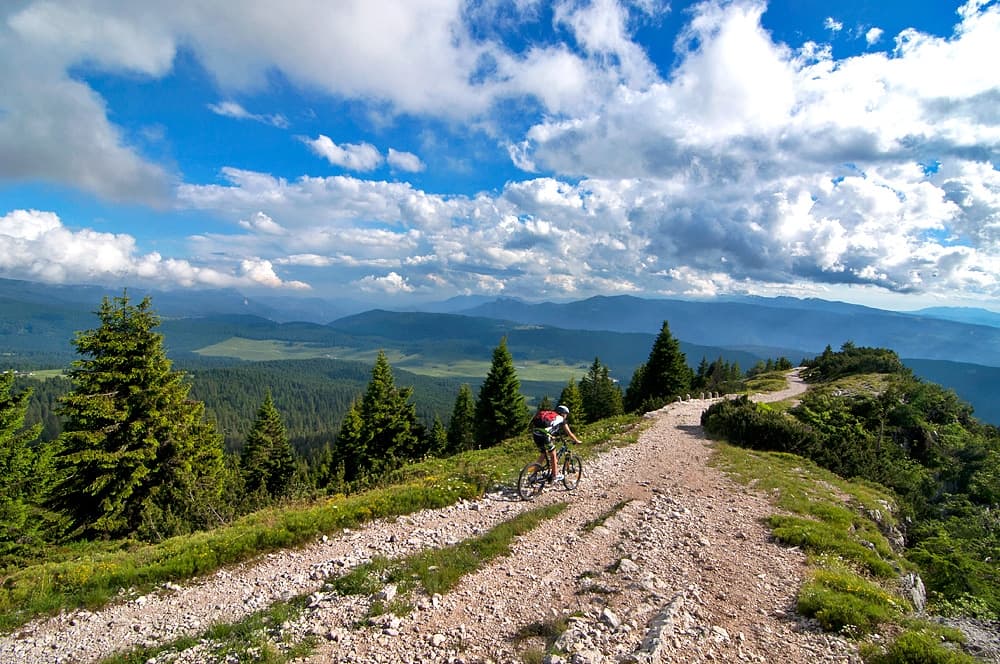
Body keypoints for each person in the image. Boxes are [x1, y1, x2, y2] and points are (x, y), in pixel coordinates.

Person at [531, 404, 582, 483]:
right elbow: (569, 433)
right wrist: (576, 440)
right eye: (566, 414)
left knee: (543, 454)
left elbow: (548, 428)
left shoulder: (551, 415)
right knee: (553, 454)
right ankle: (555, 475)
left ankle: (533, 475)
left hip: (536, 434)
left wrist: (551, 436)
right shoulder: (561, 418)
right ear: (563, 413)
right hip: (544, 435)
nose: (566, 416)